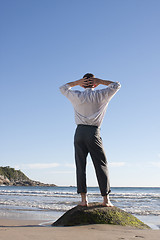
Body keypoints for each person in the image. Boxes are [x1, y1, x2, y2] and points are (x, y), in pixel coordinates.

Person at [59, 73, 121, 207]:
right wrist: (101, 81)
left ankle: (83, 200)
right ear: (94, 84)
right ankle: (106, 200)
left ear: (83, 84)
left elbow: (63, 88)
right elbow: (117, 85)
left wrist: (76, 82)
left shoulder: (77, 95)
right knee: (101, 164)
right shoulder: (101, 94)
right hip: (93, 132)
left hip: (79, 132)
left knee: (80, 165)